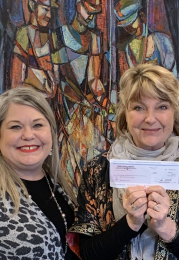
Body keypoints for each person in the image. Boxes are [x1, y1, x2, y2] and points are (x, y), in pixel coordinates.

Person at [68, 64, 179, 260]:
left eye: (162, 107)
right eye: (139, 107)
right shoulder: (98, 169)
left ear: (175, 112)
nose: (150, 118)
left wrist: (165, 227)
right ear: (125, 113)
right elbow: (88, 254)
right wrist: (130, 223)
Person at [0, 87, 80, 259]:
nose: (28, 135)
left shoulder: (56, 183)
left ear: (51, 132)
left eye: (38, 125)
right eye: (15, 127)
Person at [51, 0, 111, 193]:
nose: (91, 16)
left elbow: (94, 80)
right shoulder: (57, 35)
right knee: (68, 163)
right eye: (88, 10)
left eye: (95, 12)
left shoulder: (95, 38)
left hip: (86, 107)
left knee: (96, 151)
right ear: (77, 5)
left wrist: (105, 104)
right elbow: (55, 79)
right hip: (65, 108)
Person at [114, 0, 178, 78]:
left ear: (141, 16)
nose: (128, 28)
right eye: (126, 26)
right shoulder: (129, 47)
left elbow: (171, 72)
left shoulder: (161, 39)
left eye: (131, 23)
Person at [10, 0, 58, 99]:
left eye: (50, 11)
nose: (49, 15)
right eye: (45, 9)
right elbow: (17, 83)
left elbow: (56, 75)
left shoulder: (52, 36)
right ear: (32, 6)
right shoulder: (23, 34)